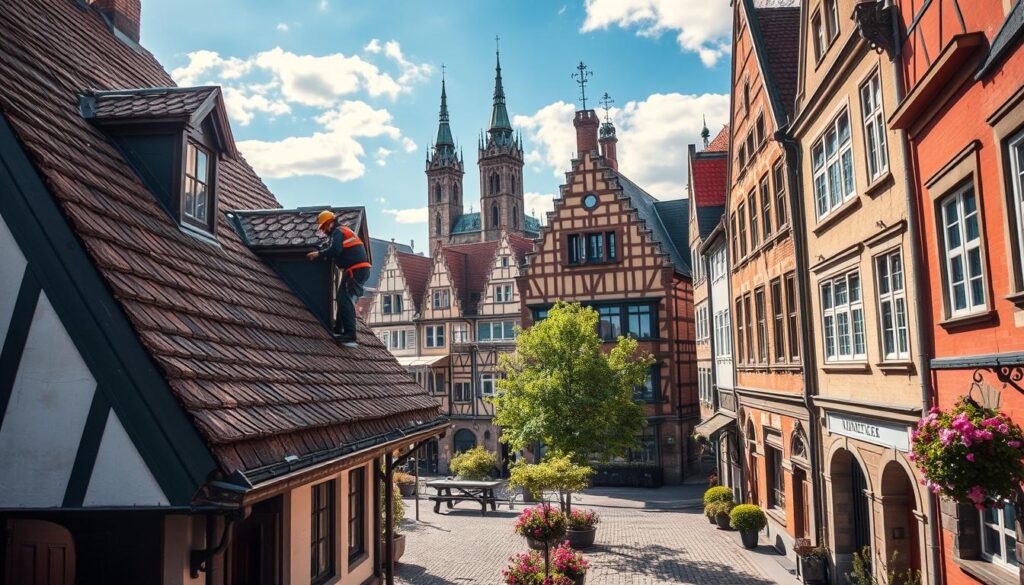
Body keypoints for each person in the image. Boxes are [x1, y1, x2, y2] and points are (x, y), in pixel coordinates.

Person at [306, 210, 371, 347]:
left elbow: (335, 251)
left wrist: (319, 254)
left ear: (330, 223)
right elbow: (335, 248)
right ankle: (340, 329)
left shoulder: (338, 232)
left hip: (356, 270)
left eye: (324, 227)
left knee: (344, 298)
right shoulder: (343, 232)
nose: (323, 231)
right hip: (359, 270)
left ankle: (350, 334)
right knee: (343, 298)